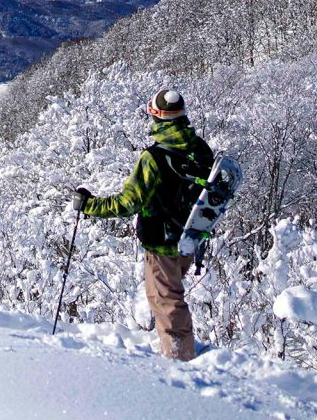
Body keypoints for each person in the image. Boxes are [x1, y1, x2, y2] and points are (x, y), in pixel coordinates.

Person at [72, 89, 214, 361]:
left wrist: (88, 206)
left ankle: (180, 360)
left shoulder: (155, 159)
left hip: (162, 243)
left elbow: (128, 203)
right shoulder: (200, 148)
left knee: (167, 302)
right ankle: (175, 349)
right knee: (169, 296)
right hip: (191, 238)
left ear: (157, 117)